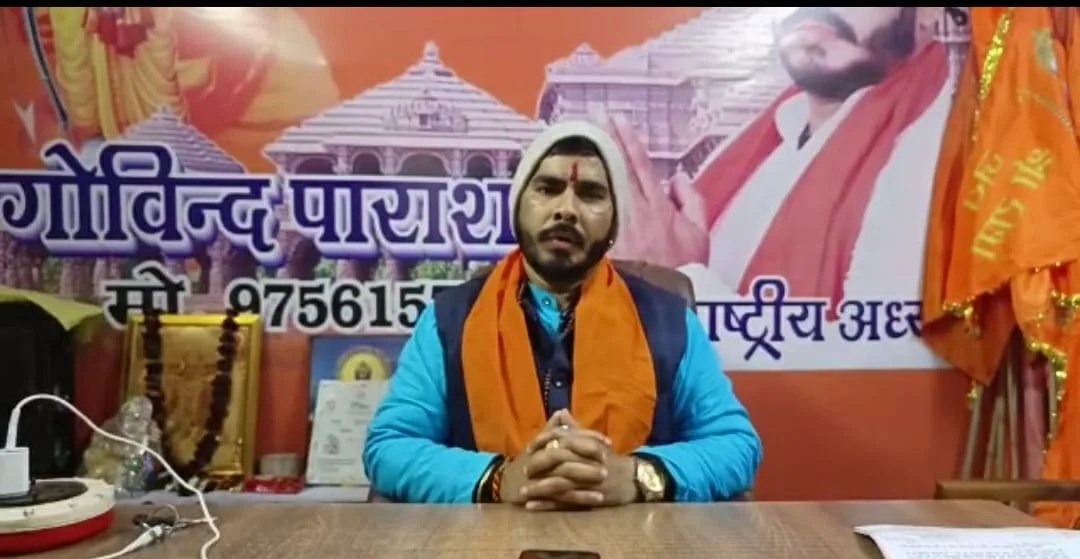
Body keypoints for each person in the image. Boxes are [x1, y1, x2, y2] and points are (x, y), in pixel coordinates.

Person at [362, 120, 763, 508]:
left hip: (639, 544)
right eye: (548, 189)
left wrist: (637, 476)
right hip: (483, 545)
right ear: (518, 205)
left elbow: (736, 444)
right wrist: (498, 479)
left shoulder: (668, 321)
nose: (566, 209)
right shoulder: (450, 321)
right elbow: (390, 446)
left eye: (590, 194)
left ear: (614, 222)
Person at [607, 7, 956, 312]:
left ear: (929, 12)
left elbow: (886, 359)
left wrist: (672, 284)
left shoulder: (939, 152)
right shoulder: (764, 135)